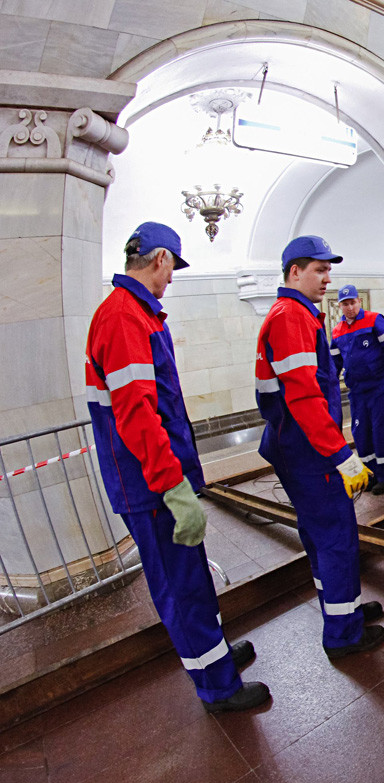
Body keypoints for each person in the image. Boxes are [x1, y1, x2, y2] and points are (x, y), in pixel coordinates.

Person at [85, 222, 268, 712]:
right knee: (179, 586)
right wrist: (173, 486)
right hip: (149, 487)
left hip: (157, 480)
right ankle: (217, 687)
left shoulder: (137, 314)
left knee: (192, 577)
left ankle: (216, 656)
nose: (171, 280)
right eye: (172, 269)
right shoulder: (124, 318)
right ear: (160, 259)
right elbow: (137, 414)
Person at [255, 235, 384, 660]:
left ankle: (342, 609)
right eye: (320, 269)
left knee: (321, 536)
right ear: (295, 271)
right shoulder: (291, 316)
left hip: (298, 446)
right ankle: (343, 634)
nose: (328, 278)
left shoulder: (297, 314)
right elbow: (304, 397)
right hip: (307, 450)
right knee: (336, 538)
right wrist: (341, 454)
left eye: (329, 270)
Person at [331, 285, 384, 495]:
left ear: (359, 302)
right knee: (360, 432)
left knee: (380, 430)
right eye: (345, 304)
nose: (350, 307)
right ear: (340, 306)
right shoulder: (337, 331)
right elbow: (334, 363)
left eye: (353, 302)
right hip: (356, 392)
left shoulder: (374, 320)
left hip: (378, 387)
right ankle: (371, 475)